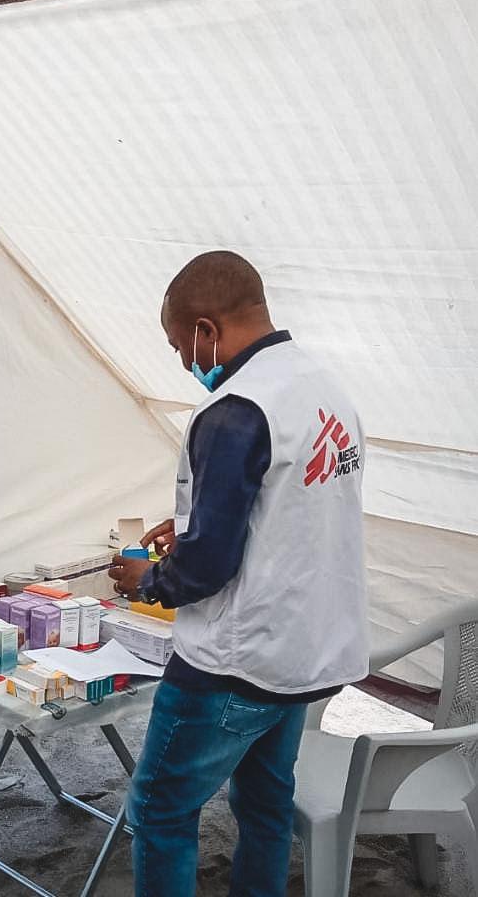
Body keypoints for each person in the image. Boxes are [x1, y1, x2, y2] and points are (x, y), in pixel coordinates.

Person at [109, 251, 368, 897]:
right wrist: (194, 522)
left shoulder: (234, 409)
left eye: (179, 346)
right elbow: (290, 510)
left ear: (207, 328)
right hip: (302, 654)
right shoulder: (323, 388)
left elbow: (210, 566)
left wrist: (149, 582)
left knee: (161, 810)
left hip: (230, 665)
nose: (183, 361)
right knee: (265, 805)